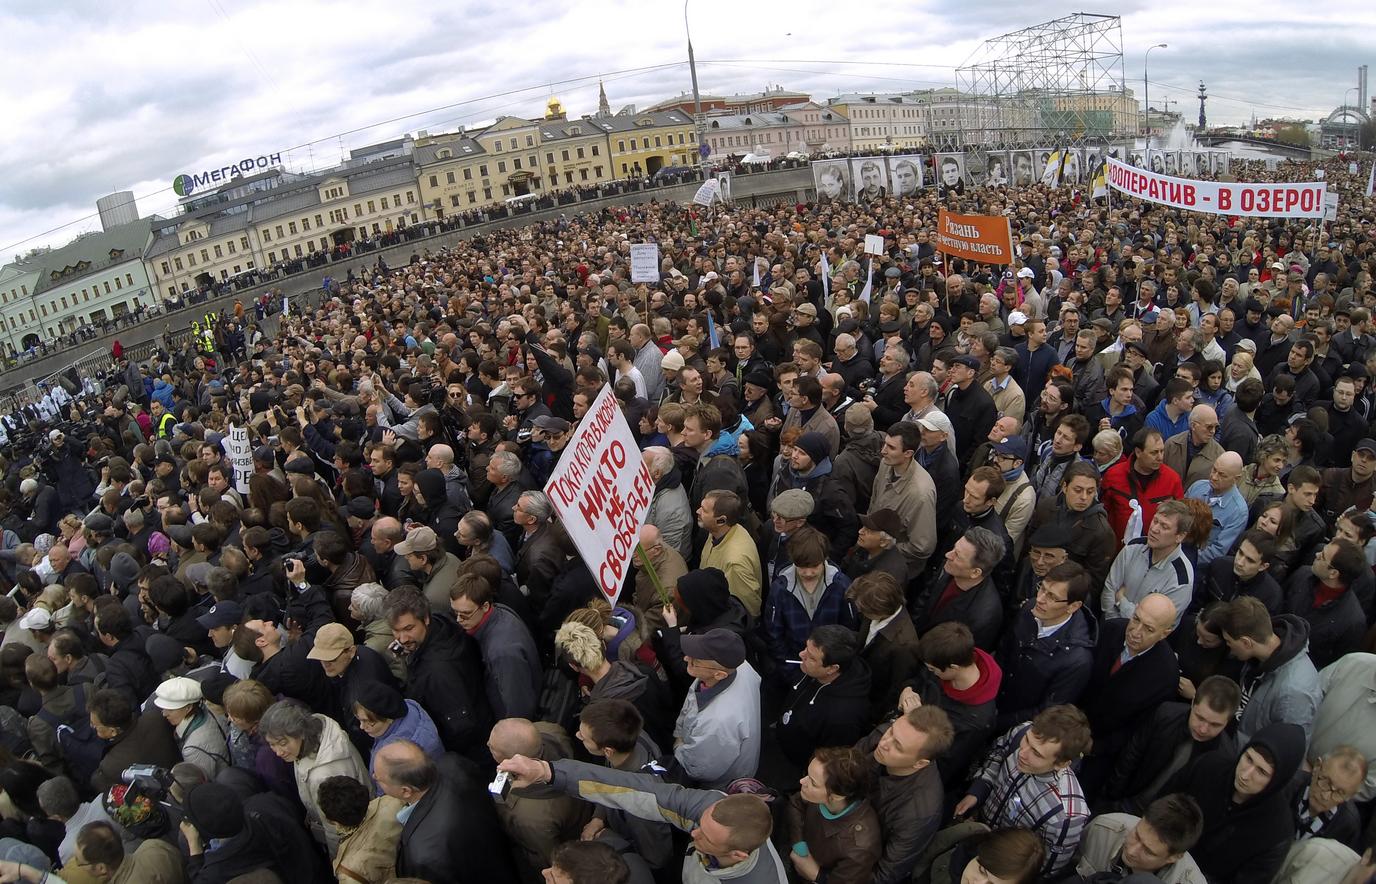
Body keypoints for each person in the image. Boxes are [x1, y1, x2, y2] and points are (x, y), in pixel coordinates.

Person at [498, 751, 786, 883]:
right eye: (700, 825)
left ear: (737, 855)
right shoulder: (712, 809)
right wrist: (549, 772)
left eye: (705, 837)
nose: (693, 833)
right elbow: (636, 790)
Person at [954, 704, 1092, 877]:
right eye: (1027, 741)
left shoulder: (1065, 817)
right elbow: (997, 753)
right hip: (975, 834)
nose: (1022, 753)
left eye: (1037, 753)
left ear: (1062, 764)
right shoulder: (1023, 731)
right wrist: (980, 789)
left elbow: (1044, 872)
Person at [1163, 722, 1306, 884]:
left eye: (1261, 772)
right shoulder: (1209, 766)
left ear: (1278, 781)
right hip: (1162, 853)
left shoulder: (1276, 832)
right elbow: (1163, 804)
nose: (1245, 775)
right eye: (1248, 758)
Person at [375, 739, 518, 883]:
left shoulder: (422, 856)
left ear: (406, 791)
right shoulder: (453, 762)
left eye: (378, 779)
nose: (374, 777)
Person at [1101, 674, 1240, 816]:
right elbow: (1131, 755)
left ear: (1228, 722)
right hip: (1125, 802)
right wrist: (1111, 798)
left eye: (1215, 725)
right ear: (1192, 703)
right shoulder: (1165, 714)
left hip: (1162, 828)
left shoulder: (1224, 759)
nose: (1203, 729)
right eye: (1200, 717)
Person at [853, 705, 954, 884]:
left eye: (898, 747)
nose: (884, 743)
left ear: (919, 764)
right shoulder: (884, 737)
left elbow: (883, 875)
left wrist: (823, 877)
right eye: (891, 731)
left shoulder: (919, 813)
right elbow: (843, 769)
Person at [259, 699, 371, 856]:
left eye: (283, 743)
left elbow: (334, 828)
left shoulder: (323, 775)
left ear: (301, 732)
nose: (278, 752)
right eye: (272, 744)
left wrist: (335, 861)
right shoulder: (318, 732)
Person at [1217, 596, 1321, 742]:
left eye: (1229, 641)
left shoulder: (1294, 693)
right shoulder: (1257, 658)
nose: (1228, 647)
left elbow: (1285, 747)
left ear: (1246, 643)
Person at [671, 628, 761, 788]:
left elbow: (701, 768)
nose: (686, 658)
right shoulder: (737, 665)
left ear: (719, 675)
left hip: (723, 782)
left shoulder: (718, 721)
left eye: (695, 661)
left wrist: (678, 746)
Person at [776, 625, 871, 772]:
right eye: (805, 648)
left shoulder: (844, 718)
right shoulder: (812, 670)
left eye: (811, 657)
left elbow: (829, 760)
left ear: (832, 669)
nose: (801, 655)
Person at [783, 747, 883, 884]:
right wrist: (798, 842)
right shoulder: (818, 796)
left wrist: (817, 875)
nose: (802, 781)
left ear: (836, 796)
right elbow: (796, 803)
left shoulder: (860, 848)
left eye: (812, 782)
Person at [1072, 793, 1208, 884]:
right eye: (1136, 834)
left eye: (1148, 851)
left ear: (1174, 857)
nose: (1131, 851)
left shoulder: (1189, 881)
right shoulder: (1103, 829)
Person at [1101, 500, 1195, 620]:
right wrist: (1113, 622)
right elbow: (1109, 588)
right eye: (1155, 521)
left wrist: (1121, 602)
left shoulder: (1181, 578)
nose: (1154, 529)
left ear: (1180, 536)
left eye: (1164, 526)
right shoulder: (1132, 547)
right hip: (1110, 625)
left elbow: (1155, 623)